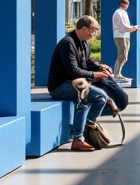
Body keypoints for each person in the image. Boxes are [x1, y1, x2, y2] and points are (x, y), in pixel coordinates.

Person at [47, 16, 112, 151]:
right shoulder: (68, 43)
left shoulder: (83, 42)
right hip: (60, 85)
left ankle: (87, 127)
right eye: (92, 31)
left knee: (101, 97)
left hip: (74, 82)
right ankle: (78, 138)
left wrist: (100, 67)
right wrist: (94, 74)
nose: (93, 34)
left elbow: (87, 62)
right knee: (86, 95)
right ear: (84, 28)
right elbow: (73, 70)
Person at [111, 0, 140, 80]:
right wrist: (133, 28)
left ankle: (118, 74)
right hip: (121, 35)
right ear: (123, 4)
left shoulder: (122, 12)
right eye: (126, 4)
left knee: (124, 56)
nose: (127, 6)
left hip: (125, 35)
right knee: (122, 55)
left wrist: (132, 28)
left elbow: (124, 25)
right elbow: (122, 25)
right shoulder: (119, 12)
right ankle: (116, 75)